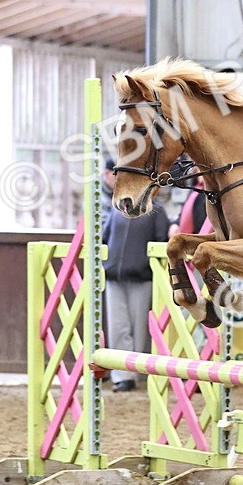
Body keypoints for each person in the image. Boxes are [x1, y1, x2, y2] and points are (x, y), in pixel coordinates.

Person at [101, 157, 170, 392]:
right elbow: (105, 237)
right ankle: (122, 375)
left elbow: (162, 243)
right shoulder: (117, 209)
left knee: (139, 327)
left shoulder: (158, 212)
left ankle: (135, 371)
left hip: (142, 277)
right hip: (114, 277)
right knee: (118, 326)